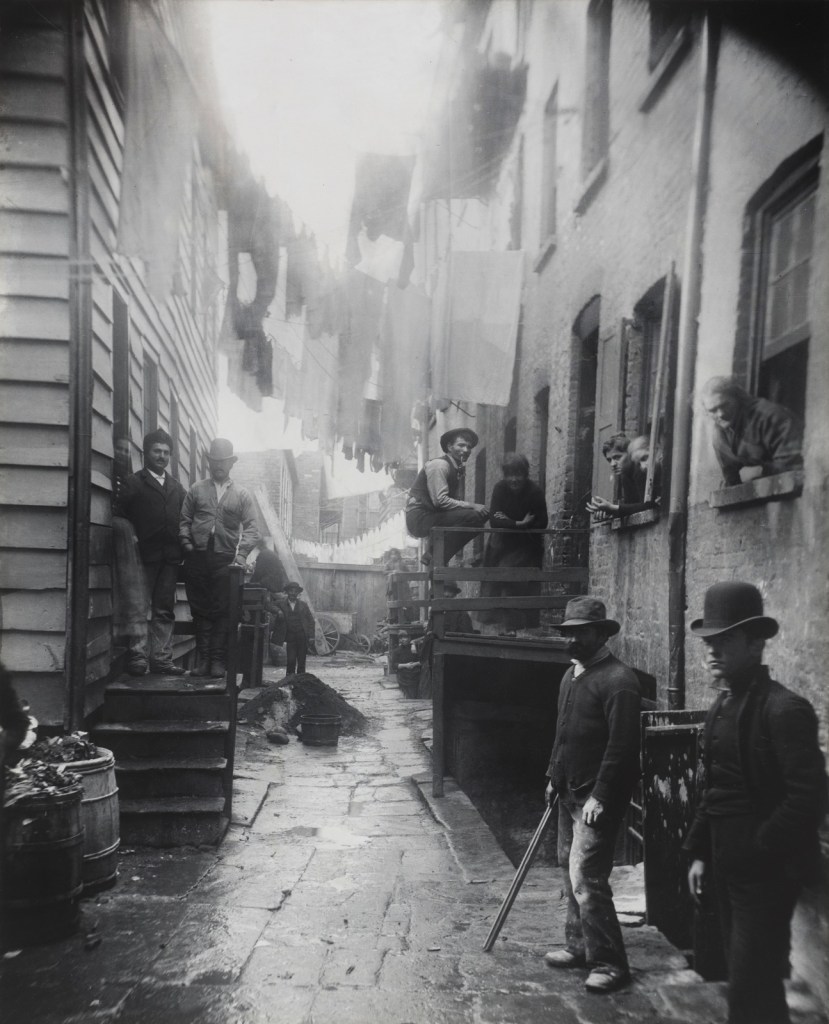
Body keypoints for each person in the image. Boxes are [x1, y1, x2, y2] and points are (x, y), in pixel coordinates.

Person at [683, 582, 826, 1024]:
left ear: (756, 644)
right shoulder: (721, 708)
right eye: (709, 642)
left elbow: (809, 797)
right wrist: (700, 852)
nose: (712, 652)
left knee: (752, 988)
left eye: (725, 641)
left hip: (766, 875)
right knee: (743, 983)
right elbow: (715, 789)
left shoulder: (784, 710)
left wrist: (760, 847)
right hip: (728, 868)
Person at [544, 597, 641, 994]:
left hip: (596, 798)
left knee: (587, 877)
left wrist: (601, 795)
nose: (571, 640)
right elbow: (562, 733)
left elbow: (622, 747)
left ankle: (610, 963)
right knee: (569, 868)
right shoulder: (572, 677)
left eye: (580, 633)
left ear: (601, 634)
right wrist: (553, 775)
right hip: (569, 789)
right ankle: (579, 946)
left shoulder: (619, 681)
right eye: (568, 633)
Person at [180, 438, 259, 678]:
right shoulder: (196, 489)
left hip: (226, 560)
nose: (219, 466)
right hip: (198, 558)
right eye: (215, 461)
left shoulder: (242, 495)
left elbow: (253, 528)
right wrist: (186, 543)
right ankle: (203, 661)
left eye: (223, 462)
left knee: (223, 610)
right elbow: (184, 520)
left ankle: (217, 662)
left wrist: (242, 555)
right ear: (210, 463)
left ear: (231, 463)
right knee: (200, 609)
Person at [117, 429, 187, 675]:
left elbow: (185, 520)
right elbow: (119, 516)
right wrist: (132, 538)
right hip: (142, 558)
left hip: (169, 559)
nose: (162, 456)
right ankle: (137, 658)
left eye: (166, 453)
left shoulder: (177, 488)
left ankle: (161, 659)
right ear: (146, 453)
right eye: (157, 451)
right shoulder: (134, 483)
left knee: (164, 609)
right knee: (138, 607)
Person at [483, 452, 549, 631]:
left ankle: (520, 631)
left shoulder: (535, 492)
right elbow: (494, 520)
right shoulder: (499, 489)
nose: (514, 479)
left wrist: (508, 522)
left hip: (526, 547)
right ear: (505, 475)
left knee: (517, 586)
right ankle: (503, 630)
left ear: (525, 474)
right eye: (510, 475)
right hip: (501, 546)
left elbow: (542, 522)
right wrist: (519, 523)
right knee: (497, 585)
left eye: (518, 474)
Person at [405, 428, 490, 566]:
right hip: (419, 518)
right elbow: (440, 501)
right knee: (475, 516)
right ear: (449, 447)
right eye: (461, 445)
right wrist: (472, 505)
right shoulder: (440, 465)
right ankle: (436, 557)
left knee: (479, 518)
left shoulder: (456, 468)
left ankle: (434, 555)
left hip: (431, 515)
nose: (466, 450)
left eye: (469, 447)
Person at [700, 376, 802, 487]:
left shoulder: (770, 417)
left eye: (725, 405)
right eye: (713, 410)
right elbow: (731, 480)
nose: (721, 414)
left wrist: (760, 471)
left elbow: (795, 467)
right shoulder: (720, 433)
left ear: (737, 398)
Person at [110, 437, 148, 669]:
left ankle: (136, 649)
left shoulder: (134, 482)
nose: (123, 453)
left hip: (129, 543)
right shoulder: (106, 477)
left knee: (134, 592)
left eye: (127, 450)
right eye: (119, 449)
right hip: (110, 541)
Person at [587, 435, 661, 520]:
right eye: (609, 460)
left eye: (617, 457)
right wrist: (609, 512)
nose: (613, 464)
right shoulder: (625, 475)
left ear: (630, 454)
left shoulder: (642, 469)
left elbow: (649, 505)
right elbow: (632, 507)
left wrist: (613, 508)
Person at [272, 582, 316, 676]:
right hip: (290, 636)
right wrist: (278, 611)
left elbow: (311, 621)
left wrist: (311, 636)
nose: (293, 593)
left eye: (295, 591)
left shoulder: (303, 605)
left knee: (301, 660)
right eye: (291, 591)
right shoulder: (281, 603)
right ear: (287, 592)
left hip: (302, 636)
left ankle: (301, 682)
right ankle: (289, 681)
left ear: (297, 593)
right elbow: (268, 605)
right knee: (291, 660)